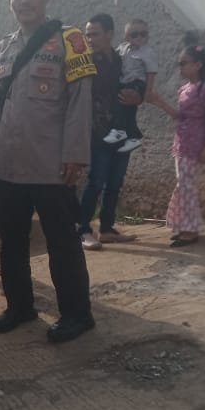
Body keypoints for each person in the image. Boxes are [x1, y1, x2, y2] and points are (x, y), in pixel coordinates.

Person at [0, 0, 96, 343]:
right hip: (8, 168)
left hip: (51, 166)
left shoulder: (71, 41)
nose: (23, 0)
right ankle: (20, 306)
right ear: (10, 1)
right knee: (12, 242)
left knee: (62, 243)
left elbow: (80, 102)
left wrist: (74, 154)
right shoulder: (3, 49)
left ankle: (77, 315)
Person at [78, 14, 142, 249]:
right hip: (99, 133)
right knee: (96, 181)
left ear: (109, 34)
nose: (90, 39)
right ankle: (83, 230)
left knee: (115, 183)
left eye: (94, 34)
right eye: (88, 35)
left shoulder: (123, 60)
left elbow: (138, 83)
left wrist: (139, 95)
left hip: (123, 130)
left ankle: (106, 229)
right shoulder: (86, 62)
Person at [150, 38, 205, 246]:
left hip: (196, 145)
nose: (180, 67)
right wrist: (159, 102)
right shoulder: (185, 89)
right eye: (179, 63)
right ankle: (185, 226)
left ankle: (190, 230)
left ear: (198, 65)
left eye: (184, 63)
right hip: (181, 144)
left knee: (187, 186)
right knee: (183, 185)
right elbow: (179, 116)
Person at [103, 18, 158, 154]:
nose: (139, 37)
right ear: (126, 36)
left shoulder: (147, 52)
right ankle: (133, 137)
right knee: (125, 108)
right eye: (134, 34)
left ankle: (120, 131)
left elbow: (151, 73)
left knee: (125, 102)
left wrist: (148, 92)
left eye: (143, 34)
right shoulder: (123, 48)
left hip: (137, 83)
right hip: (124, 82)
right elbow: (113, 57)